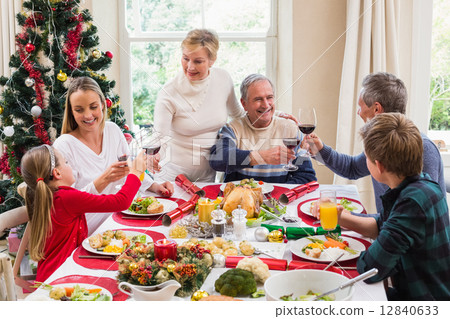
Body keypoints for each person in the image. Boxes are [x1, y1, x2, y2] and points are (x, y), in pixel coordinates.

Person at [315, 113, 450, 300]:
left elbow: (371, 269)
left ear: (378, 165)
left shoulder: (412, 204)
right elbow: (385, 224)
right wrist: (343, 217)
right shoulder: (420, 185)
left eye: (367, 158)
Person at [153, 29, 296, 183]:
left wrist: (273, 114)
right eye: (185, 58)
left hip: (207, 175)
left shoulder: (222, 79)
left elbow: (239, 114)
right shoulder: (169, 93)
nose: (190, 67)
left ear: (212, 60)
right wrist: (153, 155)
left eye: (198, 61)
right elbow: (159, 137)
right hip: (172, 174)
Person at [307, 72, 445, 213]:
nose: (358, 113)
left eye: (360, 107)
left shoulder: (423, 149)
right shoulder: (383, 143)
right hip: (388, 228)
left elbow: (423, 212)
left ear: (377, 109)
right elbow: (353, 168)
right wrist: (320, 150)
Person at [53, 76, 173, 232]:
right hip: (87, 229)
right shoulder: (64, 145)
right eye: (79, 110)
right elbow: (67, 203)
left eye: (93, 107)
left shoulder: (113, 130)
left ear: (103, 105)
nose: (88, 115)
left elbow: (129, 171)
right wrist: (103, 179)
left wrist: (154, 186)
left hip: (119, 219)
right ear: (71, 111)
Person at [21, 145, 147, 282]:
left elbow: (88, 196)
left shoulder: (48, 197)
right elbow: (121, 202)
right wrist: (135, 172)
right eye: (66, 163)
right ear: (57, 173)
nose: (70, 166)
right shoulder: (66, 198)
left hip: (51, 273)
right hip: (62, 277)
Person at [209, 74, 317, 184]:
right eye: (258, 99)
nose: (266, 105)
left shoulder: (290, 129)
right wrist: (261, 157)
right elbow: (218, 159)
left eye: (269, 97)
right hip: (240, 199)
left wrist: (276, 194)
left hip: (278, 199)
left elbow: (307, 178)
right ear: (244, 104)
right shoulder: (233, 128)